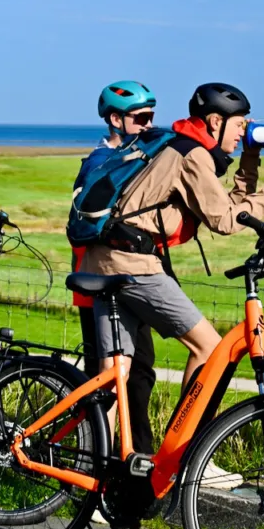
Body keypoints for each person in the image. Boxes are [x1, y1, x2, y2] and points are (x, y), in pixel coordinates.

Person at [82, 82, 264, 484]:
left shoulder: (180, 146)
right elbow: (226, 220)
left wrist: (250, 160)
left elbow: (226, 204)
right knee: (209, 349)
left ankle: (92, 478)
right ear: (215, 121)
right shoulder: (190, 156)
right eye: (240, 125)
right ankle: (183, 454)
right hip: (135, 265)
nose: (244, 131)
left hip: (106, 261)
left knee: (113, 372)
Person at [71, 81, 159, 455]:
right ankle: (96, 466)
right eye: (141, 117)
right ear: (115, 119)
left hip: (127, 285)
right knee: (107, 381)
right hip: (97, 290)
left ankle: (138, 457)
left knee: (140, 374)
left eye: (152, 117)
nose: (148, 124)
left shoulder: (135, 158)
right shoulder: (100, 164)